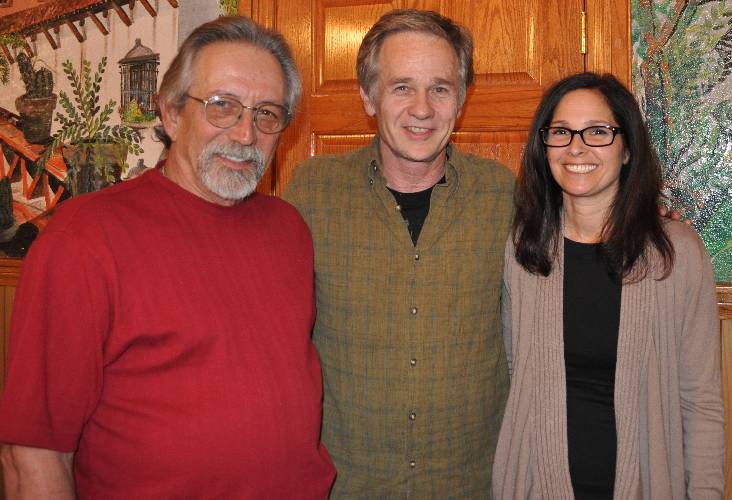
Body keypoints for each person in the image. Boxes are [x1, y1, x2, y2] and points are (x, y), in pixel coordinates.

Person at [0, 16, 335, 498]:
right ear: (171, 113)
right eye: (222, 106)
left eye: (267, 113)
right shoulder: (86, 237)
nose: (246, 134)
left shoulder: (288, 230)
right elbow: (34, 451)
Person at [285, 9, 514, 498]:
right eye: (402, 87)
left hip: (470, 485)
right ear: (368, 96)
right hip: (346, 485)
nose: (422, 109)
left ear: (462, 98)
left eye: (440, 88)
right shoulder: (310, 193)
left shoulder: (505, 195)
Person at [492, 72, 725, 499]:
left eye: (598, 131)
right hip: (536, 485)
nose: (576, 147)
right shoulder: (522, 249)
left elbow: (700, 401)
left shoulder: (675, 253)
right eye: (561, 132)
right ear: (544, 147)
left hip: (648, 485)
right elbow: (509, 374)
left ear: (627, 149)